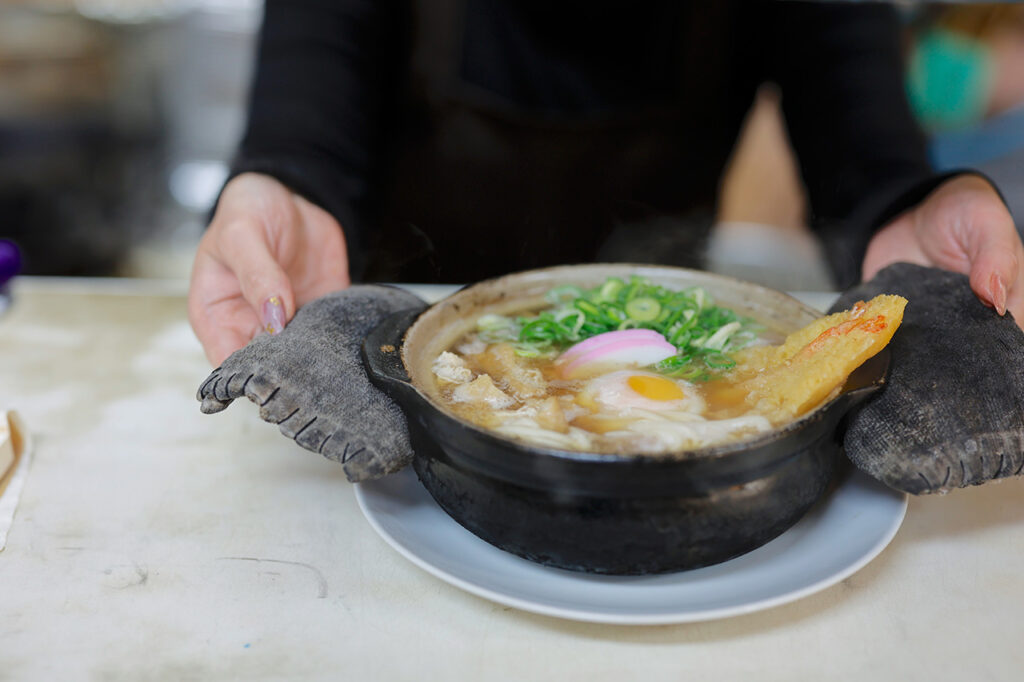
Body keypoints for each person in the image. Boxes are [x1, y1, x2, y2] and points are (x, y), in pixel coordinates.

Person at [189, 0, 1024, 366]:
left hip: (667, 357)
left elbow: (868, 161)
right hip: (400, 370)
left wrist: (908, 215)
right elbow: (303, 130)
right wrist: (284, 191)